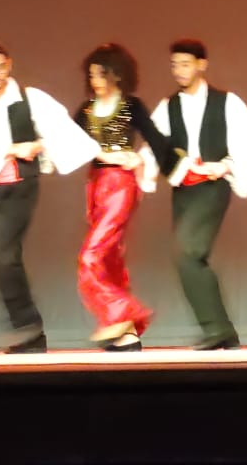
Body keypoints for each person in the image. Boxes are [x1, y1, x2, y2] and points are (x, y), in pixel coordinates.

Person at [0, 42, 101, 353]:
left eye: (0, 67)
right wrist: (11, 149)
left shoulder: (30, 99)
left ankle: (27, 324)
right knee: (6, 258)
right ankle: (31, 337)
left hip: (21, 187)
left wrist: (37, 145)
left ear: (9, 65)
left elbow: (67, 135)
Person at [149, 39, 247, 350]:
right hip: (183, 190)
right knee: (188, 257)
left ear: (201, 65)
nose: (179, 71)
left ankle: (216, 329)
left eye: (185, 64)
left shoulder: (226, 102)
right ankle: (222, 331)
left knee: (186, 253)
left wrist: (226, 165)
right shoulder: (168, 106)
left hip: (212, 187)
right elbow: (154, 146)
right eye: (175, 65)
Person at [73, 43, 172, 353]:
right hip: (96, 184)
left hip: (121, 185)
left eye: (100, 74)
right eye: (91, 75)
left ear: (117, 74)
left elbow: (157, 140)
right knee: (110, 257)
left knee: (90, 256)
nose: (95, 81)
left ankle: (124, 311)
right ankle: (126, 334)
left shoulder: (131, 106)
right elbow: (70, 143)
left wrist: (140, 159)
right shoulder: (86, 110)